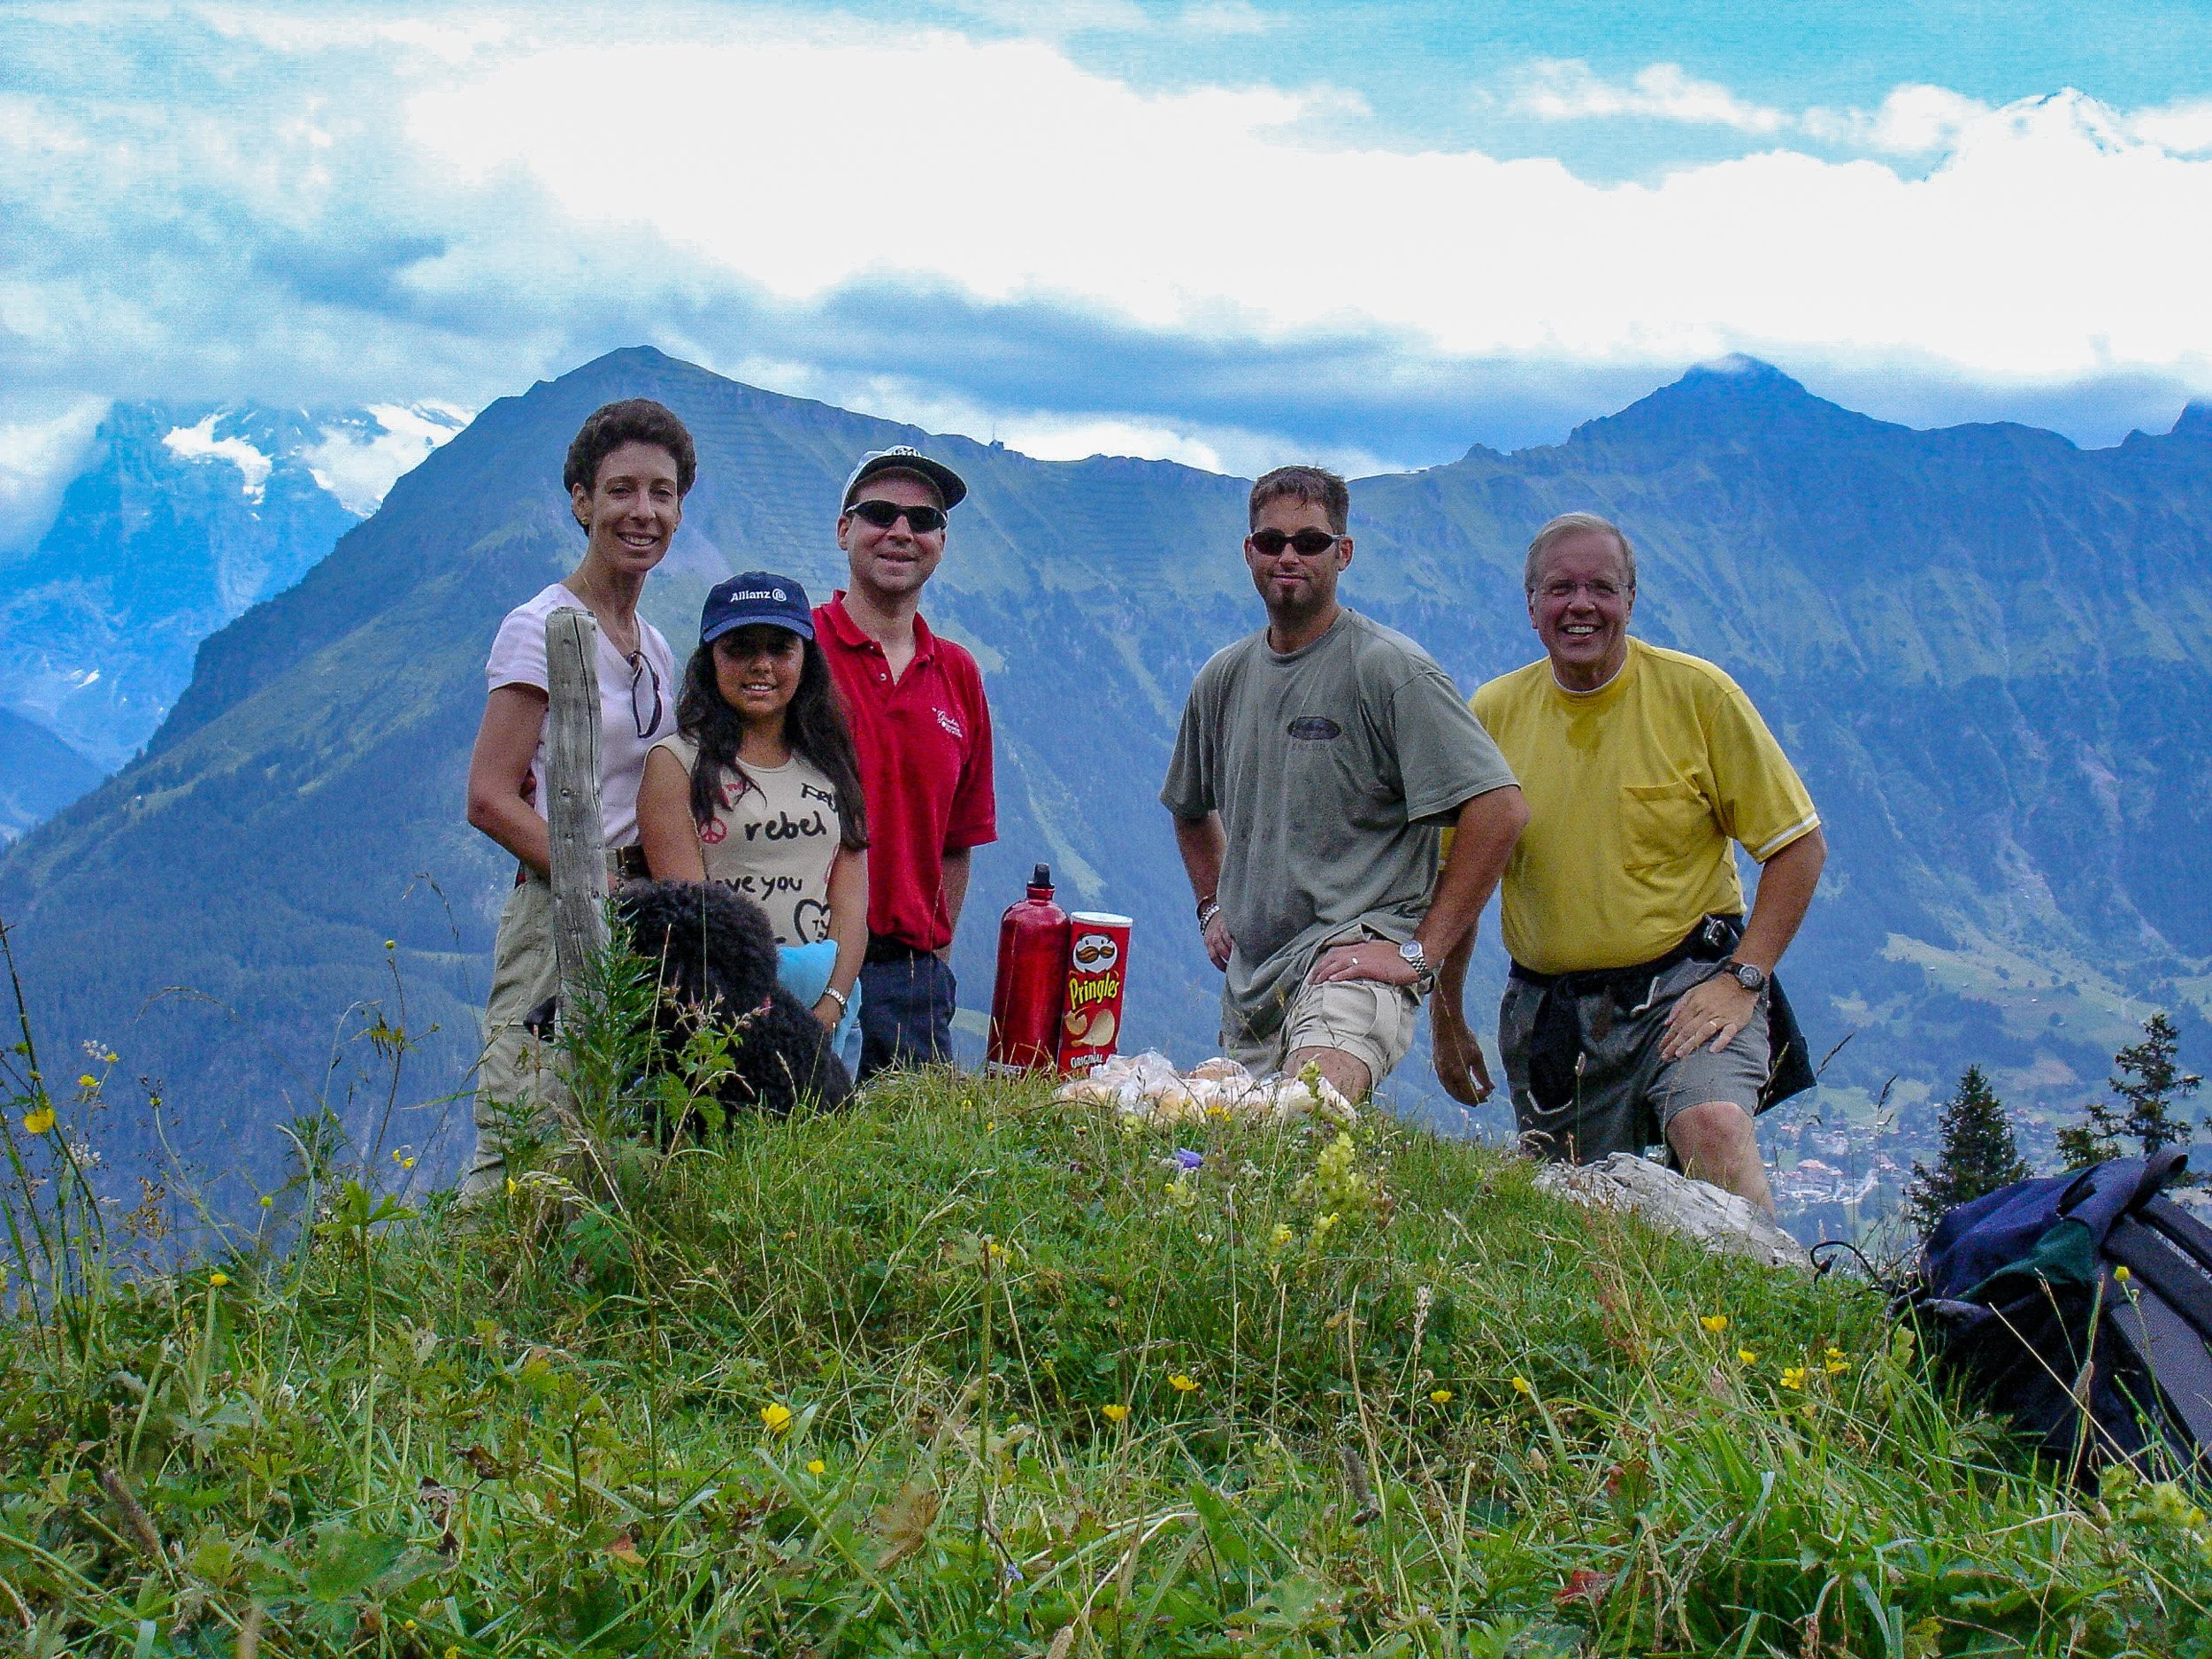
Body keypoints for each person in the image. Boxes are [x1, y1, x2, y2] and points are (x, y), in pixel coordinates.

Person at [1442, 511, 1826, 1212]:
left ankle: (1782, 1306)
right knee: (1578, 1220)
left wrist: (1747, 978)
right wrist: (1446, 1019)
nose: (1580, 605)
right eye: (1560, 589)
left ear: (1630, 601)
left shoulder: (1698, 696)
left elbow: (1798, 845)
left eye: (1602, 588)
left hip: (1688, 988)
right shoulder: (1492, 714)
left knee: (1713, 1130)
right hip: (1553, 1015)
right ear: (1531, 607)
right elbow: (1458, 888)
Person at [1161, 465, 1527, 1102]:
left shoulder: (1390, 670)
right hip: (1254, 984)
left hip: (1353, 961)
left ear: (1344, 552)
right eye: (1271, 541)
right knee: (1247, 1167)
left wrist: (1418, 954)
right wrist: (1211, 907)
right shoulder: (1221, 679)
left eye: (1310, 541)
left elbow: (1500, 810)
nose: (1288, 556)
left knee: (1307, 1109)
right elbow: (1190, 808)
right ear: (1249, 551)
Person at [462, 398, 691, 1197]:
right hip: (562, 909)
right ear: (581, 500)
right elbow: (490, 796)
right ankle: (470, 1303)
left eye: (662, 493)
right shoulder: (541, 626)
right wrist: (595, 880)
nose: (643, 511)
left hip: (635, 913)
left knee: (602, 1141)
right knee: (526, 1131)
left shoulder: (652, 645)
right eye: (621, 489)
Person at [810, 446, 995, 1079]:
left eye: (922, 520)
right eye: (880, 513)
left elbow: (959, 840)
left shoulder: (960, 675)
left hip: (913, 983)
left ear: (941, 542)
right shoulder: (797, 650)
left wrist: (935, 962)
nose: (900, 532)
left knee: (911, 1173)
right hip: (805, 962)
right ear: (844, 530)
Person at [635, 571, 867, 1051]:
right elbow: (695, 917)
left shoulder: (829, 762)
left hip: (829, 1004)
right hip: (724, 1008)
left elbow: (850, 907)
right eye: (739, 648)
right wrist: (761, 1013)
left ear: (806, 659)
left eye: (780, 648)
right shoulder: (676, 764)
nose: (761, 665)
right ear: (710, 660)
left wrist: (831, 1006)